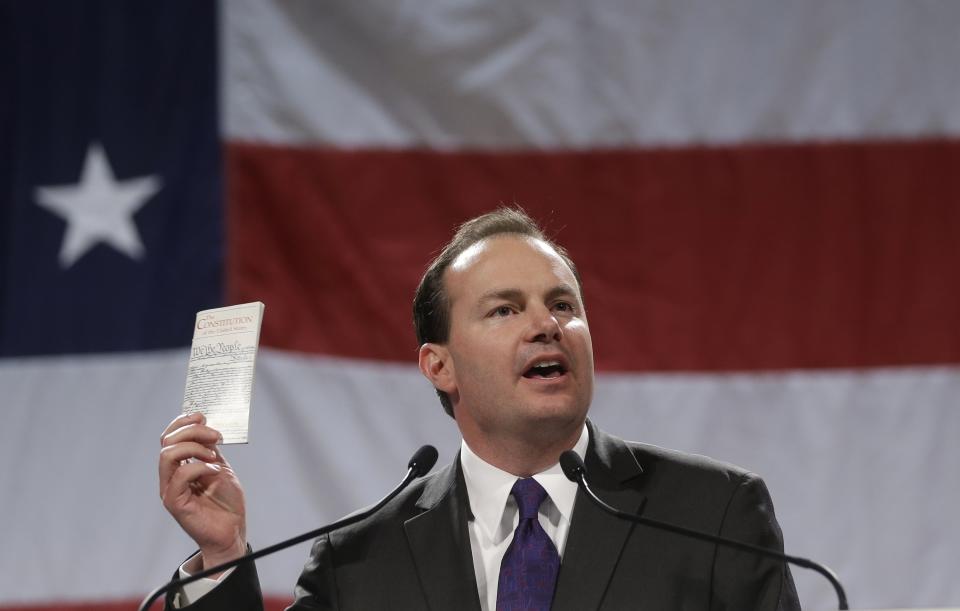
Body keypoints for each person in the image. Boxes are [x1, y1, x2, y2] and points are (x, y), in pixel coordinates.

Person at [159, 208, 800, 610]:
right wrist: (222, 556)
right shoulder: (359, 559)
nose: (547, 325)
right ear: (439, 365)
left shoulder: (712, 514)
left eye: (564, 305)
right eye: (505, 309)